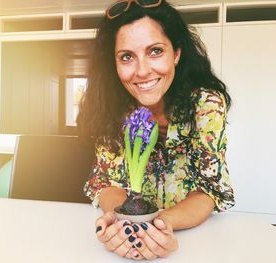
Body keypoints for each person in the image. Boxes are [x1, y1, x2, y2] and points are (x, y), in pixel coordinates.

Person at [77, 0, 235, 260]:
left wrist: (158, 225)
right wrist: (119, 222)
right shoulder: (111, 108)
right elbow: (107, 182)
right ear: (114, 64)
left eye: (155, 51)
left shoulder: (206, 106)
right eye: (127, 57)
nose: (141, 71)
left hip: (193, 242)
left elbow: (208, 191)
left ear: (176, 53)